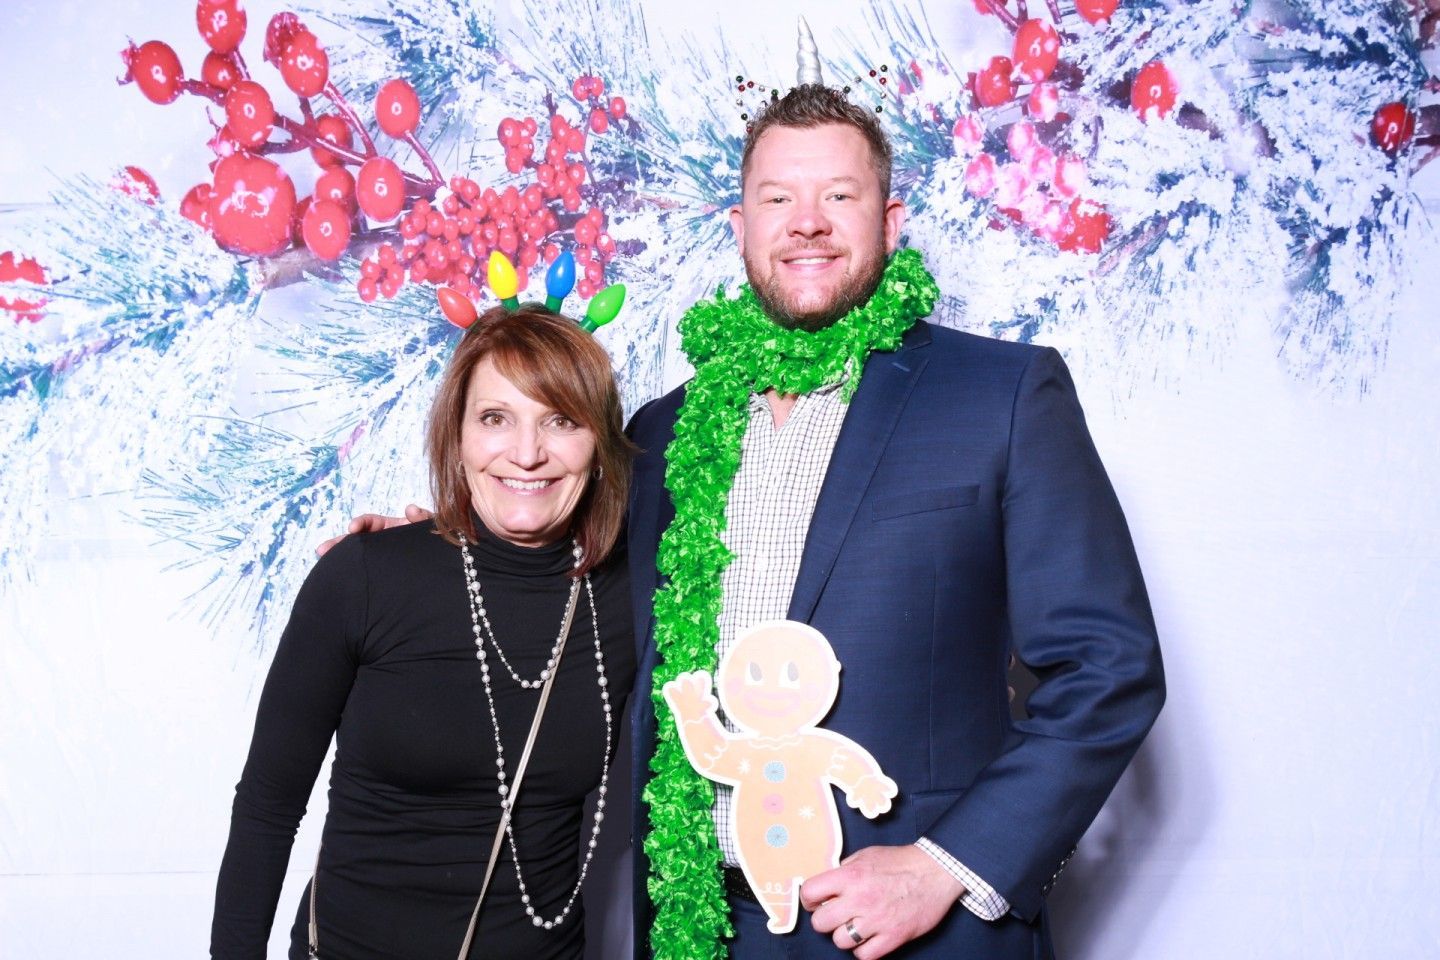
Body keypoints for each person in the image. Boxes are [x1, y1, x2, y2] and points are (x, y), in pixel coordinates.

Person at [624, 83, 1165, 960]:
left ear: (891, 218)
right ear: (740, 225)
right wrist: (426, 539)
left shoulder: (1004, 396)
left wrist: (948, 865)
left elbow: (1109, 666)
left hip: (914, 929)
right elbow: (567, 605)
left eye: (839, 195)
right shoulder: (662, 432)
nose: (807, 222)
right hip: (701, 929)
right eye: (778, 198)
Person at [211, 305, 636, 960]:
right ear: (457, 436)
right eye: (495, 418)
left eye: (561, 419)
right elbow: (268, 807)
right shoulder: (364, 577)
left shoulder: (636, 596)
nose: (526, 453)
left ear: (599, 442)